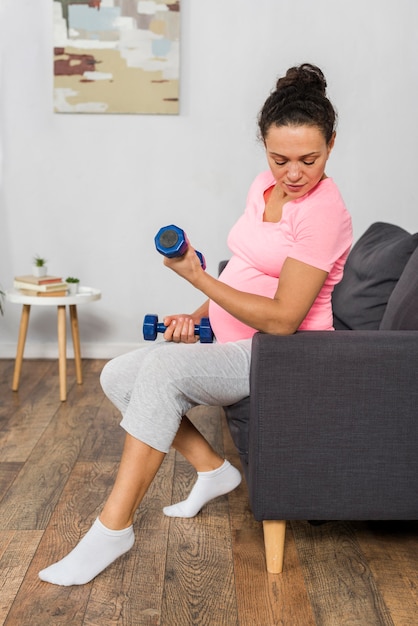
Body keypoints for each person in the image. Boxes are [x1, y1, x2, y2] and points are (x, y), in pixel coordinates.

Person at [39, 63, 353, 586]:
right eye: (280, 159)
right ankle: (214, 470)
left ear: (332, 145)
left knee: (161, 371)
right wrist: (199, 315)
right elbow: (248, 270)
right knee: (117, 375)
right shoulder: (264, 187)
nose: (293, 173)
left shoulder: (322, 212)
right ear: (264, 148)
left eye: (309, 159)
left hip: (284, 356)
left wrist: (196, 279)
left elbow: (281, 319)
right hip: (232, 337)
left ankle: (111, 532)